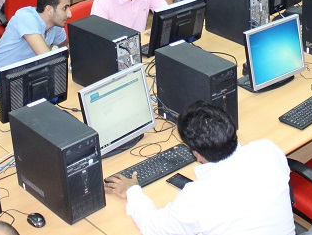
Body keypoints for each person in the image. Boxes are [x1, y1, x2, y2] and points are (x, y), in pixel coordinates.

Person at [104, 101, 295, 235]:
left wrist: (133, 191)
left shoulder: (198, 197)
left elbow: (152, 228)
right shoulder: (266, 150)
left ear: (196, 153)